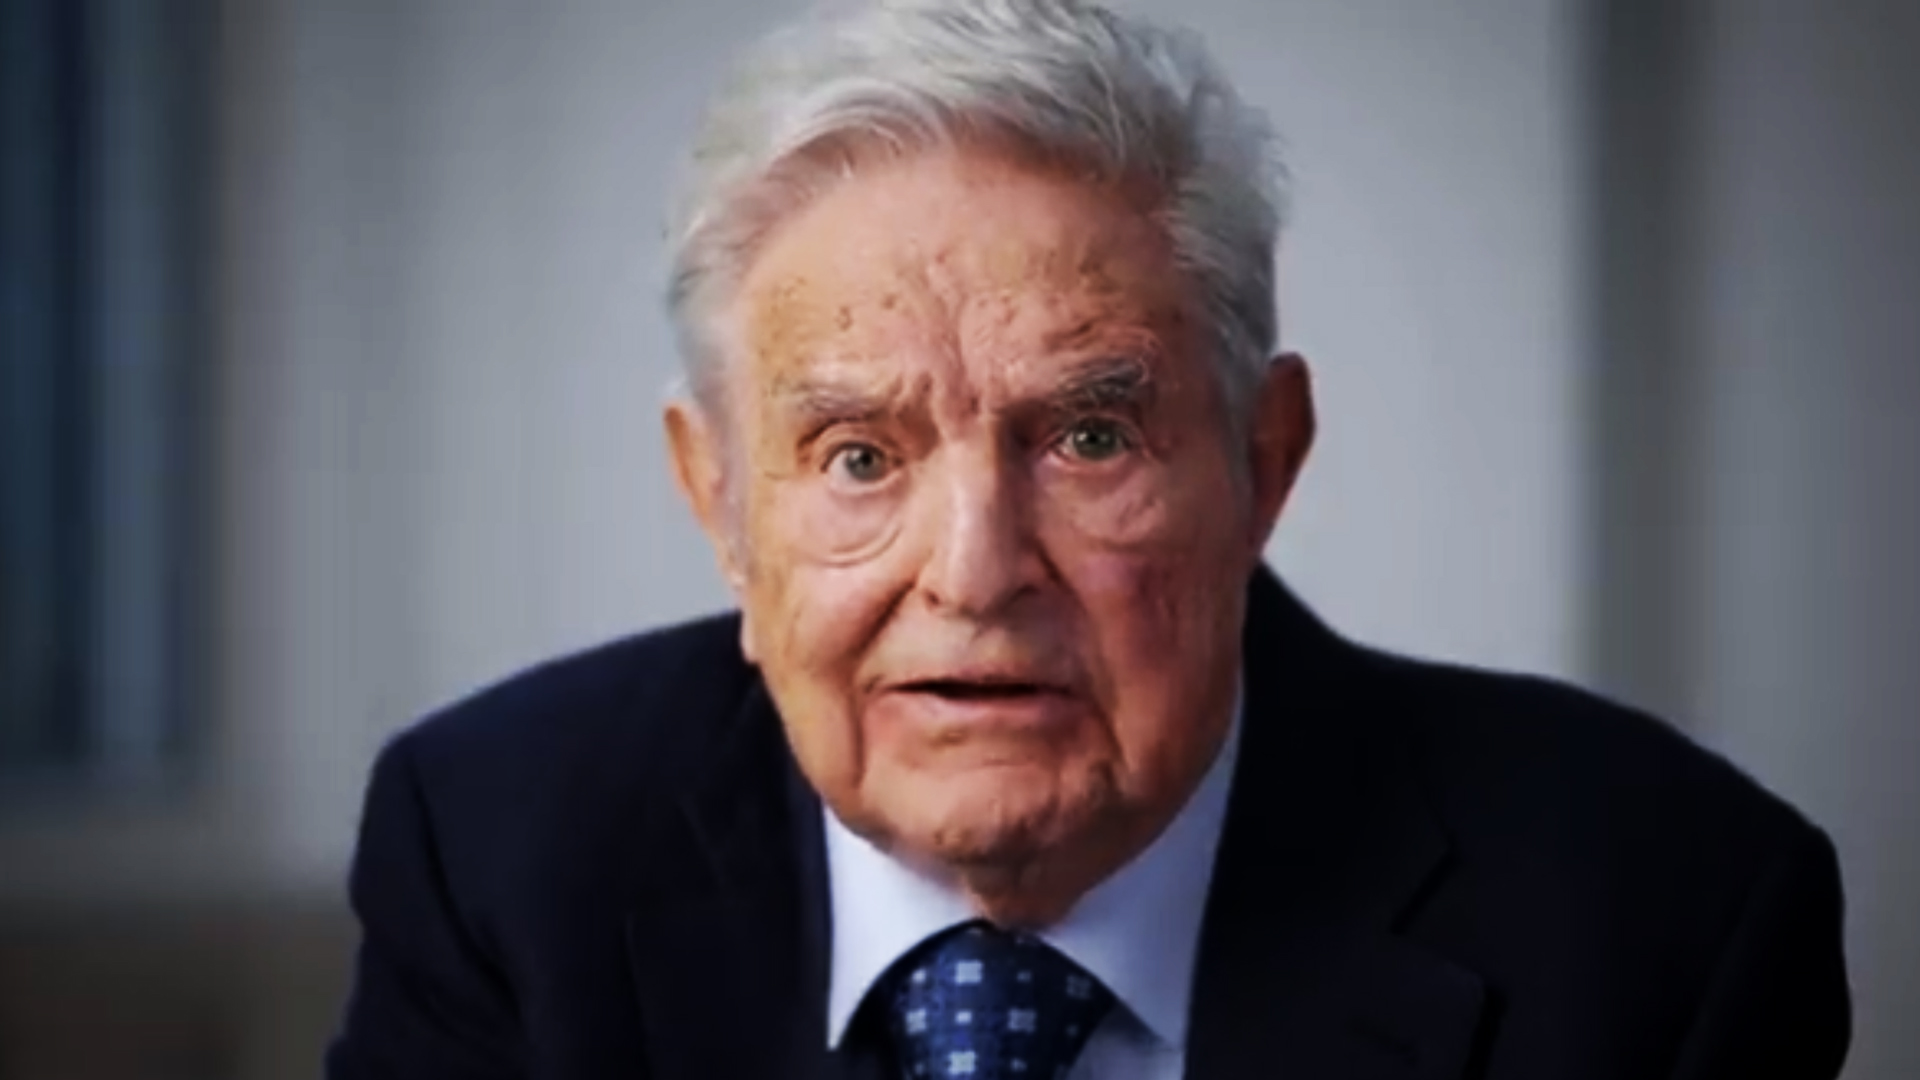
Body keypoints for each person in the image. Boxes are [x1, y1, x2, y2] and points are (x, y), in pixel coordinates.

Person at [325, 1, 1850, 1077]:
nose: (975, 571)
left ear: (1263, 463)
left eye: (1088, 439)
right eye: (858, 457)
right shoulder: (501, 856)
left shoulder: (1664, 919)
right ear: (719, 501)